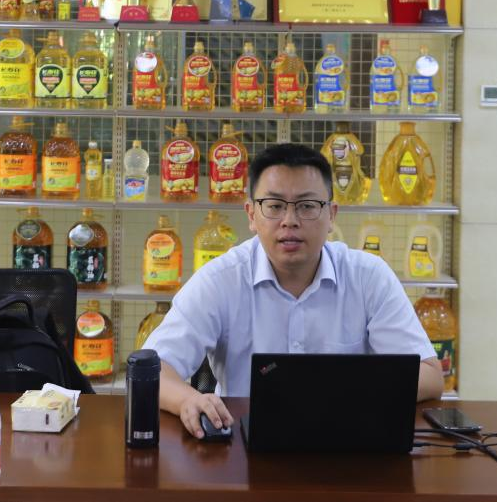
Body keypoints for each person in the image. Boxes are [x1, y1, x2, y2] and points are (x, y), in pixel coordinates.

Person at [145, 142, 442, 437]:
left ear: (331, 215)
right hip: (244, 447)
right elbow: (151, 369)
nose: (290, 221)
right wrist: (188, 399)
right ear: (251, 215)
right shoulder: (220, 280)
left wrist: (347, 391)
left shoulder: (369, 277)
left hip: (348, 443)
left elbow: (430, 376)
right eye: (274, 206)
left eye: (307, 206)